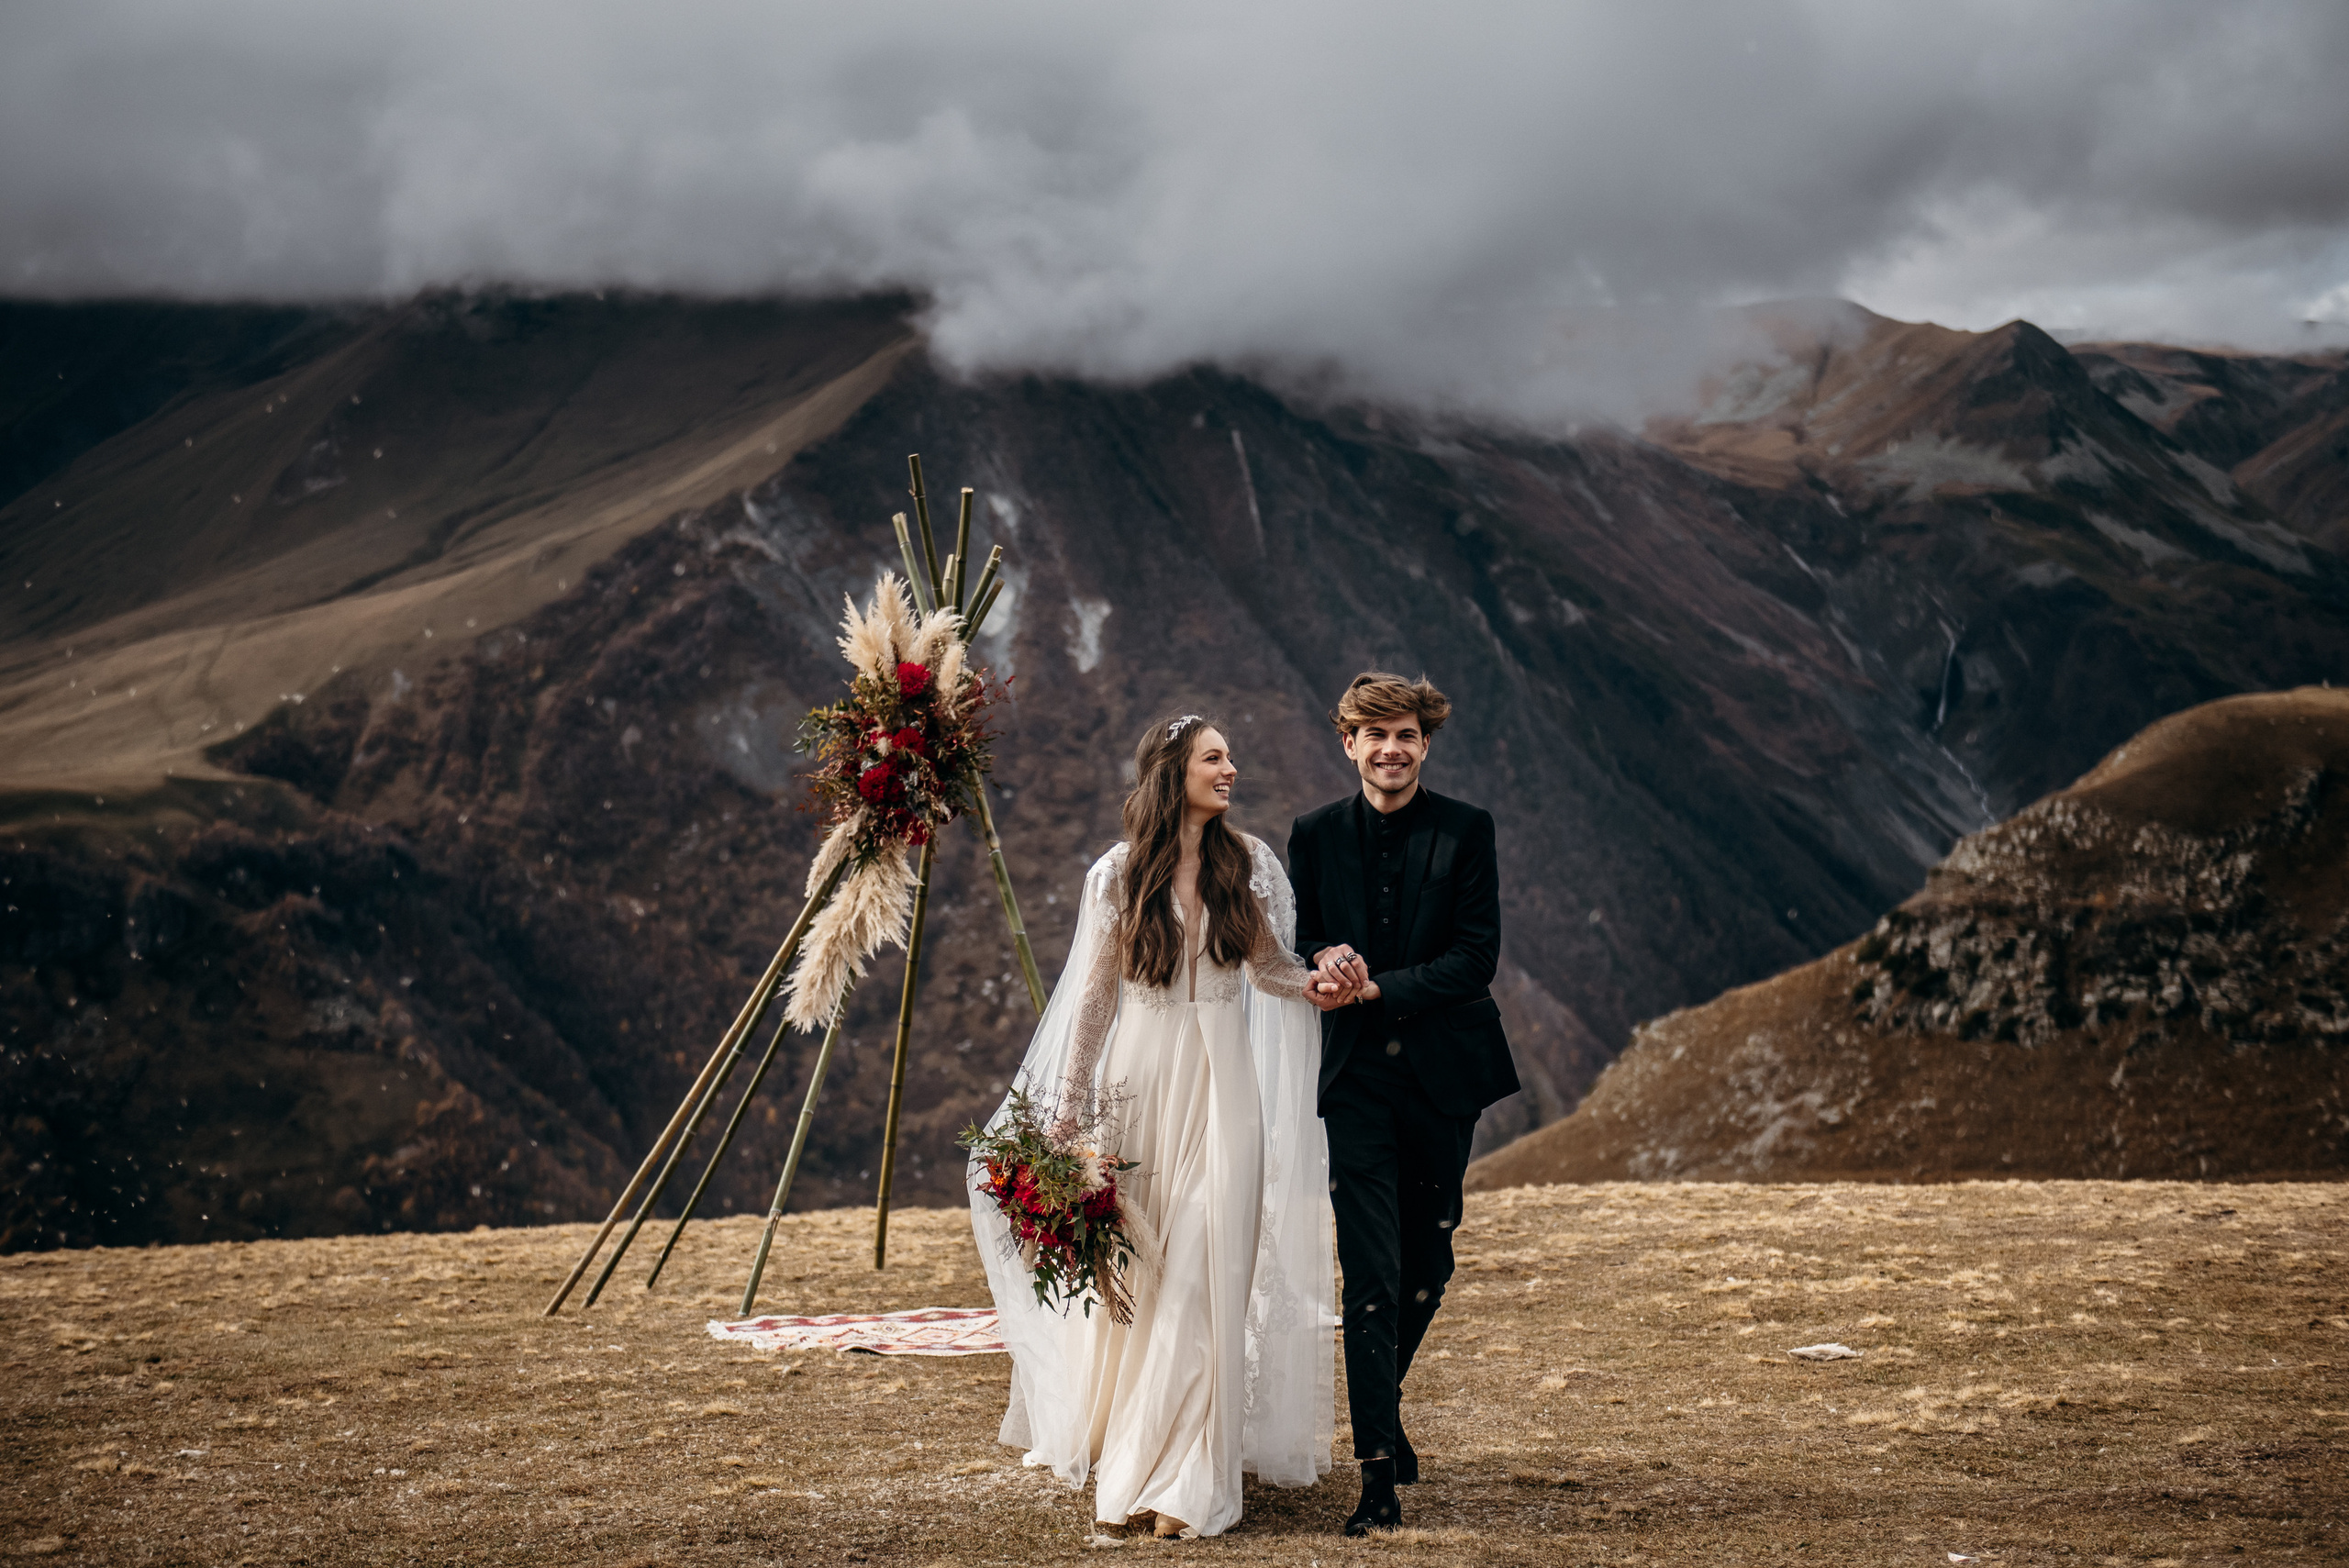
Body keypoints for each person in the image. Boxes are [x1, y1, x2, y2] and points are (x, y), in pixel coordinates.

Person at [970, 714, 1352, 1539]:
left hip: (1226, 1087)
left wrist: (1318, 983)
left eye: (1230, 756)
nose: (1231, 768)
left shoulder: (1246, 864)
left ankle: (1184, 1477)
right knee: (1144, 1278)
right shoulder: (1116, 874)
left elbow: (1269, 967)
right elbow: (1095, 997)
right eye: (1215, 757)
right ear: (1175, 770)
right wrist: (1070, 1108)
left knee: (1208, 1271)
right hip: (1137, 1086)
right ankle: (1133, 1437)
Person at [1288, 672, 1520, 1537]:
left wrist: (1377, 985)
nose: (1391, 749)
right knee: (1371, 1271)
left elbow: (1475, 957)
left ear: (1426, 743)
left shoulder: (1467, 829)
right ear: (1347, 742)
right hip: (1355, 1078)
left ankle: (1381, 1403)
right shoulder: (1313, 833)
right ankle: (1377, 1475)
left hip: (1442, 1075)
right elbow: (1304, 934)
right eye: (1375, 734)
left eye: (1406, 735)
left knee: (1429, 1265)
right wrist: (1325, 959)